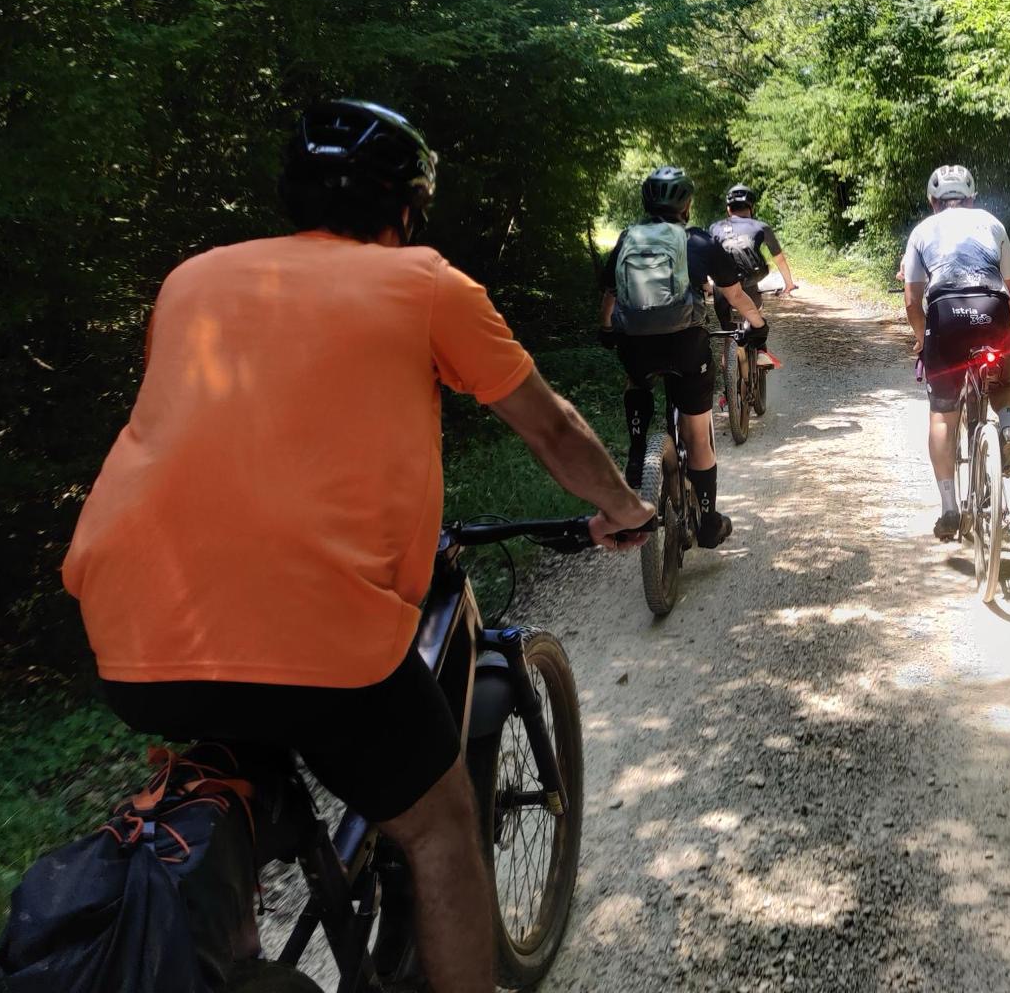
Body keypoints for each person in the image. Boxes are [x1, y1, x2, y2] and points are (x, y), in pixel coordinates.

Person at [63, 100, 655, 993]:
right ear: (409, 207)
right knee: (442, 829)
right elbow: (554, 429)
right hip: (320, 640)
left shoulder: (193, 279)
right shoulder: (426, 284)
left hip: (128, 628)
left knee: (262, 729)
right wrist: (623, 507)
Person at [598, 167, 767, 549]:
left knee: (636, 377)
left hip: (636, 345)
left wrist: (607, 330)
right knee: (698, 434)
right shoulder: (698, 242)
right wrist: (758, 323)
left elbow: (609, 294)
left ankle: (639, 447)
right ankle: (707, 522)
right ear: (687, 205)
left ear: (646, 204)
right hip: (686, 346)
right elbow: (736, 296)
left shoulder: (627, 239)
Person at [901, 163, 1010, 540]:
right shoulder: (992, 223)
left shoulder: (921, 231)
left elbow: (911, 300)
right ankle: (1005, 428)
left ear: (932, 200)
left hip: (947, 315)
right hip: (993, 309)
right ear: (972, 198)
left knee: (942, 416)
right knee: (1001, 377)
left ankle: (950, 507)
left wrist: (923, 339)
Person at [707, 184, 798, 347]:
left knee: (730, 336)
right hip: (750, 282)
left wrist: (705, 286)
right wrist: (788, 284)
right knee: (756, 321)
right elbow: (779, 259)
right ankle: (761, 352)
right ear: (751, 207)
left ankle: (728, 360)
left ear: (729, 209)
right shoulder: (761, 227)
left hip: (723, 288)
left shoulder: (715, 228)